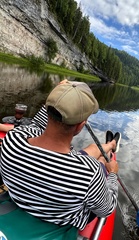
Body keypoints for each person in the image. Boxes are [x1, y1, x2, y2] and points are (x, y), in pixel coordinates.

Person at [0, 80, 120, 238]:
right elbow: (107, 209)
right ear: (80, 126)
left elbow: (37, 124)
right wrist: (112, 175)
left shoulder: (14, 139)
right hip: (62, 220)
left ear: (48, 110)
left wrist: (59, 94)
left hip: (22, 195)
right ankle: (111, 151)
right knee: (101, 163)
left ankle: (110, 144)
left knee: (91, 150)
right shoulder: (89, 172)